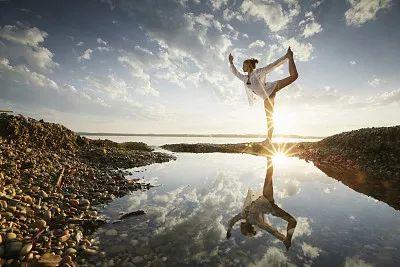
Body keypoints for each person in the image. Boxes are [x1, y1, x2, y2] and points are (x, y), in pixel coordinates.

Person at [228, 47, 298, 146]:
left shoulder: (258, 72)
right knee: (269, 118)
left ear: (248, 65)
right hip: (267, 97)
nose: (242, 67)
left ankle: (290, 57)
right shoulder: (244, 78)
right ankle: (268, 140)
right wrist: (231, 62)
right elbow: (235, 73)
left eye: (243, 65)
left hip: (272, 87)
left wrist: (285, 57)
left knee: (294, 76)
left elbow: (272, 65)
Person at [226, 156, 297, 250]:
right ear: (247, 226)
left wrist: (229, 230)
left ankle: (269, 156)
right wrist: (283, 239)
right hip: (268, 203)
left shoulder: (247, 217)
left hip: (266, 199)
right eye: (242, 229)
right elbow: (272, 231)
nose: (241, 228)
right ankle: (288, 240)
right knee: (292, 221)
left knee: (269, 176)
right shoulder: (251, 219)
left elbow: (232, 220)